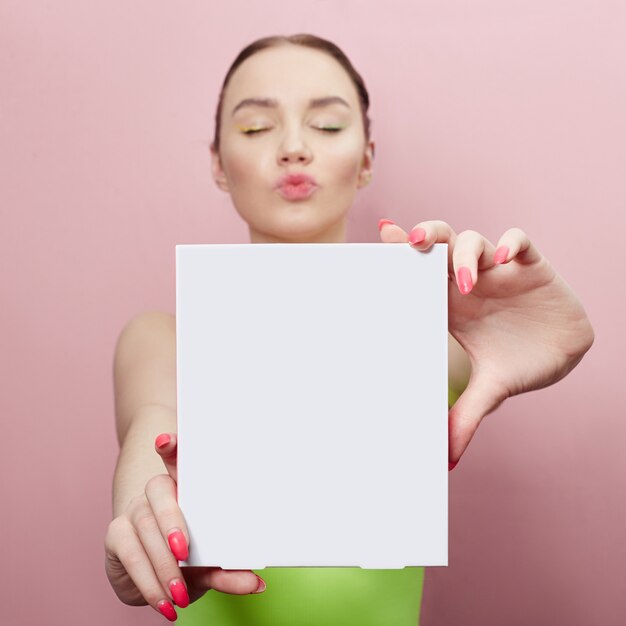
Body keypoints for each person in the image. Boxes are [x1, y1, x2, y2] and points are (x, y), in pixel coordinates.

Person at [104, 33, 594, 624]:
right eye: (257, 127)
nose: (292, 148)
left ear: (366, 159)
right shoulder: (159, 340)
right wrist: (145, 531)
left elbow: (522, 346)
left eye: (328, 126)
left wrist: (547, 333)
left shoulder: (431, 339)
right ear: (217, 163)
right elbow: (149, 440)